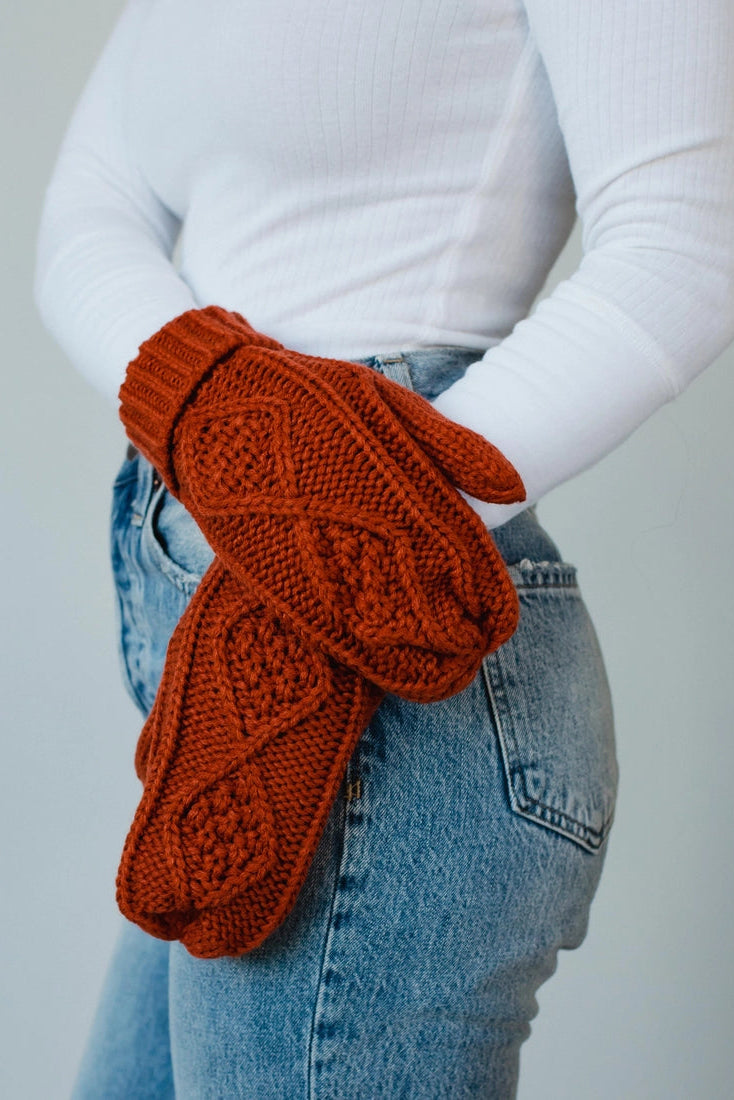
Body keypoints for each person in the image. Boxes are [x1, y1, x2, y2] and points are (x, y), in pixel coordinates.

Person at [32, 1, 734, 1096]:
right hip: (227, 691)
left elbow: (685, 243)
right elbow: (87, 217)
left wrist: (332, 532)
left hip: (394, 721)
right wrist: (219, 412)